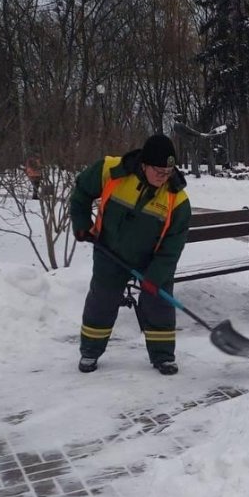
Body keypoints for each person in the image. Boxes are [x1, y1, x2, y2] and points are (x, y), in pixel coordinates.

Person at [70, 134, 191, 375]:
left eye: (168, 171)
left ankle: (163, 356)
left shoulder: (177, 200)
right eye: (159, 170)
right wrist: (82, 223)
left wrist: (154, 277)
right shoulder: (111, 170)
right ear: (144, 164)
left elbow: (172, 247)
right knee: (102, 300)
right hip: (110, 251)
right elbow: (82, 190)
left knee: (159, 303)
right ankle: (90, 351)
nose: (164, 176)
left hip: (152, 259)